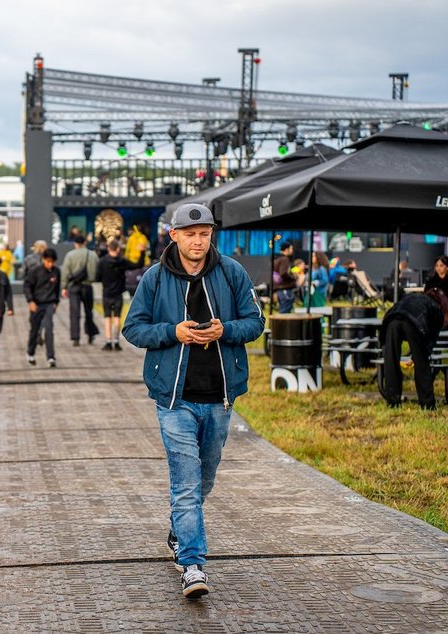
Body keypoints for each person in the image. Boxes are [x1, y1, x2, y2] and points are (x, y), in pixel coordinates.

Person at [121, 203, 265, 599]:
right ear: (175, 236)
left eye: (204, 233)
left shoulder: (231, 272)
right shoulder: (154, 278)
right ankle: (192, 564)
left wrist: (226, 329)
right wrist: (173, 332)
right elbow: (133, 328)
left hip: (220, 396)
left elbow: (256, 322)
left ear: (211, 234)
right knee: (185, 482)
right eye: (190, 234)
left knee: (204, 479)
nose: (198, 241)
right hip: (174, 398)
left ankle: (179, 528)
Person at [379, 288, 448, 409]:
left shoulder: (411, 297)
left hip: (391, 320)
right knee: (422, 364)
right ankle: (427, 404)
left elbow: (392, 311)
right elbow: (430, 339)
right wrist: (417, 356)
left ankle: (393, 402)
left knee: (391, 362)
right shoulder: (436, 308)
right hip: (413, 323)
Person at [24, 248, 61, 368]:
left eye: (53, 262)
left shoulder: (56, 272)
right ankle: (30, 353)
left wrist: (56, 302)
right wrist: (30, 301)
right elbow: (27, 286)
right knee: (35, 330)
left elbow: (57, 288)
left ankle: (51, 357)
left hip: (49, 304)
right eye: (48, 261)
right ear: (43, 260)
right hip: (36, 304)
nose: (50, 264)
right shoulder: (35, 271)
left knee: (49, 329)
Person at [61, 234, 100, 346]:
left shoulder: (70, 255)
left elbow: (65, 272)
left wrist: (64, 287)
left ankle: (76, 338)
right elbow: (97, 271)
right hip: (87, 286)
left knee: (75, 313)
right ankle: (90, 334)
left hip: (74, 287)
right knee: (88, 311)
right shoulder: (92, 255)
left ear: (75, 244)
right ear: (85, 243)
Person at [98, 238, 134, 350]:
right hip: (118, 293)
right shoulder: (122, 261)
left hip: (107, 293)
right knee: (117, 317)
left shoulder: (102, 261)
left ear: (108, 248)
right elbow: (137, 265)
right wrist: (142, 252)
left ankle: (108, 341)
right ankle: (116, 341)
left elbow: (97, 277)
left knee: (107, 317)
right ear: (118, 248)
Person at [273, 241, 296, 313]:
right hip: (284, 289)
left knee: (284, 310)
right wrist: (293, 278)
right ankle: (281, 325)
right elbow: (283, 273)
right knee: (284, 312)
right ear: (286, 250)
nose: (292, 250)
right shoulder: (284, 259)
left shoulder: (277, 259)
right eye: (291, 248)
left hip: (280, 289)